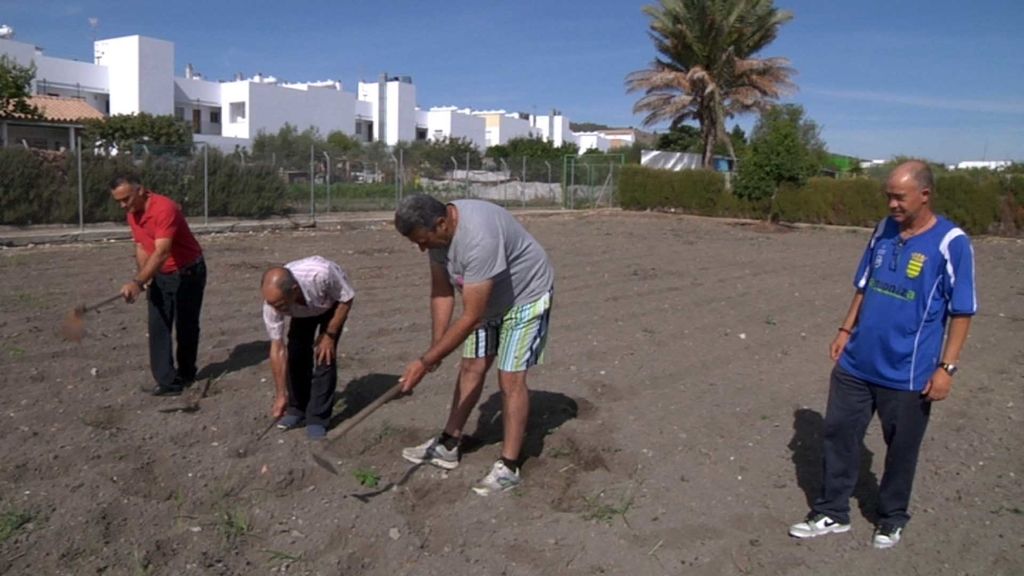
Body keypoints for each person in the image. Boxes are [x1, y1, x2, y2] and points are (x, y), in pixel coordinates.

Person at [788, 160, 976, 549]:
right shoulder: (883, 230)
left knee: (901, 449)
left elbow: (962, 310)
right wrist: (845, 329)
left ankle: (891, 517)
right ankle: (832, 511)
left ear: (925, 195)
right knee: (839, 435)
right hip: (857, 361)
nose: (891, 204)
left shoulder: (951, 242)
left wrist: (947, 368)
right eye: (888, 196)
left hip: (907, 372)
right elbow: (864, 285)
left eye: (899, 197)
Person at [394, 194, 554, 496]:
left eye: (423, 240)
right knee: (471, 365)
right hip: (485, 299)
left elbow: (470, 317)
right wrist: (436, 346)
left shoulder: (478, 238)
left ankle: (508, 467)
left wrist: (425, 361)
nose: (421, 248)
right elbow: (442, 292)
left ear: (442, 223)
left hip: (525, 296)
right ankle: (449, 443)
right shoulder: (438, 237)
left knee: (510, 377)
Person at [111, 175, 207, 396]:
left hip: (188, 273)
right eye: (119, 201)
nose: (123, 205)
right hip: (162, 273)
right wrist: (144, 278)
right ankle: (167, 382)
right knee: (158, 326)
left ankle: (186, 373)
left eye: (126, 199)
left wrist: (137, 282)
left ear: (141, 190)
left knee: (186, 326)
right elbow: (142, 246)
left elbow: (162, 251)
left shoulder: (164, 208)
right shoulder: (133, 214)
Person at [261, 256, 355, 440]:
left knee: (324, 356)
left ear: (294, 291)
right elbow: (278, 348)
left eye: (280, 305)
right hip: (301, 310)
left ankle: (318, 418)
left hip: (330, 303)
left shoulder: (322, 274)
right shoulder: (273, 304)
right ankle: (297, 408)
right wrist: (281, 394)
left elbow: (347, 298)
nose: (276, 310)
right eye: (272, 305)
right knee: (296, 352)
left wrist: (329, 335)